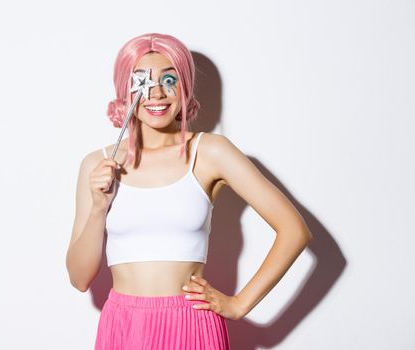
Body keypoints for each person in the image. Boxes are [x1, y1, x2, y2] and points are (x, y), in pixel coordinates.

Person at [66, 33, 313, 350]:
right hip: (123, 325)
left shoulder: (210, 152)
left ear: (184, 86)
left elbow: (294, 230)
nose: (156, 93)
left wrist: (239, 304)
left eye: (170, 80)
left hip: (191, 323)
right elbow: (79, 278)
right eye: (142, 81)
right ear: (124, 91)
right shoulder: (97, 164)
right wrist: (99, 208)